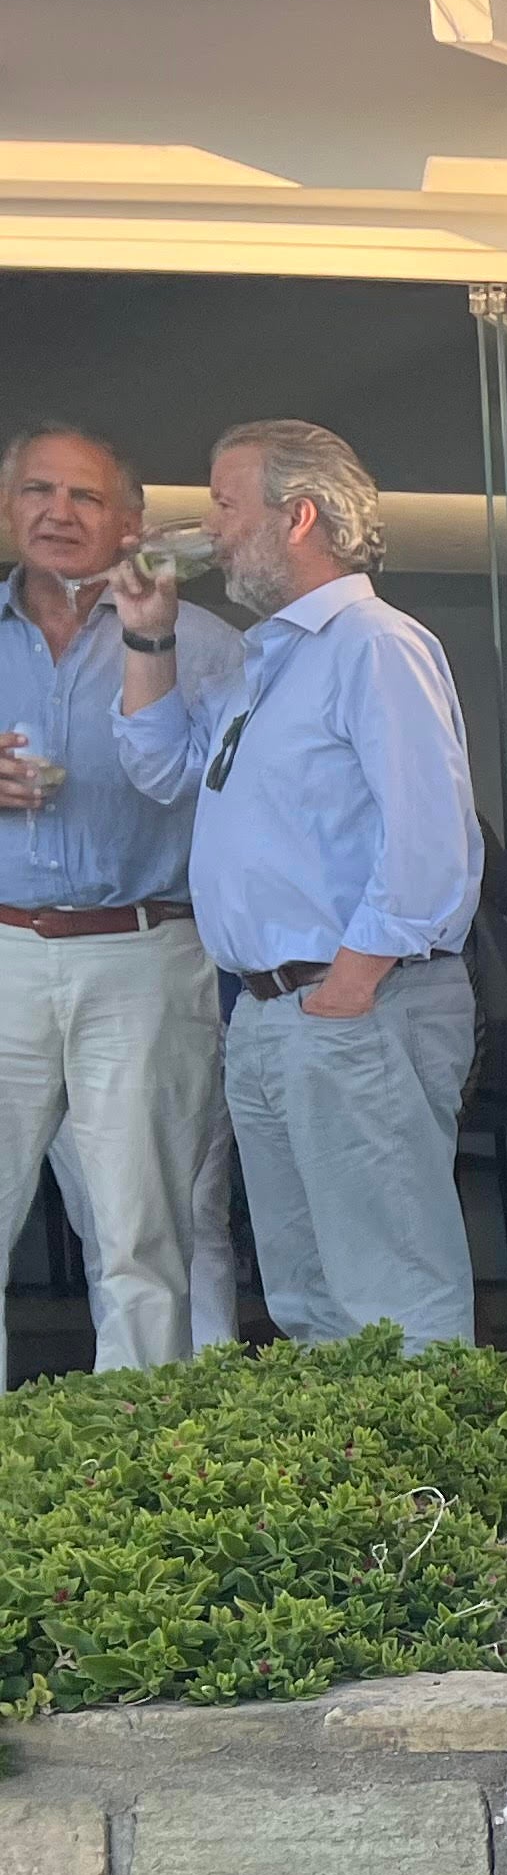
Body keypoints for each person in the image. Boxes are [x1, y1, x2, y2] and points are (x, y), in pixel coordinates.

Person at [108, 418, 480, 1348]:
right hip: (275, 1014)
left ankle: (424, 1497)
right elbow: (164, 774)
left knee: (393, 1293)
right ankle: (359, 1495)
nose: (213, 529)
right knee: (310, 1304)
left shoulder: (373, 645)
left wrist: (348, 989)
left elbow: (429, 839)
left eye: (227, 505)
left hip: (353, 1002)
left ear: (299, 516)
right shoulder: (265, 662)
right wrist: (148, 638)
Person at [0, 423, 240, 1372]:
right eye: (37, 491)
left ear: (131, 520)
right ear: (10, 506)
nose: (57, 512)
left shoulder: (208, 646)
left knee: (145, 1237)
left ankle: (138, 1476)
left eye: (86, 497)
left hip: (145, 955)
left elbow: (247, 800)